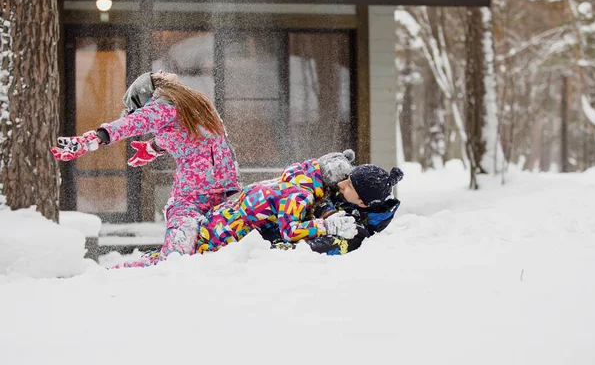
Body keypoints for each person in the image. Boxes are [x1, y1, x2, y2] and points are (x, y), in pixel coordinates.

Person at [51, 71, 240, 268]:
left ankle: (119, 274)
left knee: (174, 259)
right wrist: (153, 147)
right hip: (221, 191)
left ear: (145, 98)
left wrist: (97, 138)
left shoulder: (162, 105)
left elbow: (133, 123)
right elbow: (186, 137)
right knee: (205, 250)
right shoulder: (194, 107)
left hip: (192, 196)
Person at [191, 149, 360, 254]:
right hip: (223, 235)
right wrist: (327, 226)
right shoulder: (299, 195)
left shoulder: (297, 178)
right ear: (328, 186)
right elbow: (290, 231)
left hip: (218, 218)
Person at [258, 164, 403, 255]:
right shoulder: (348, 198)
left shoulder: (353, 232)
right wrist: (327, 212)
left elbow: (306, 250)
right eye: (347, 179)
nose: (341, 184)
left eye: (349, 186)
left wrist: (271, 245)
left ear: (363, 203)